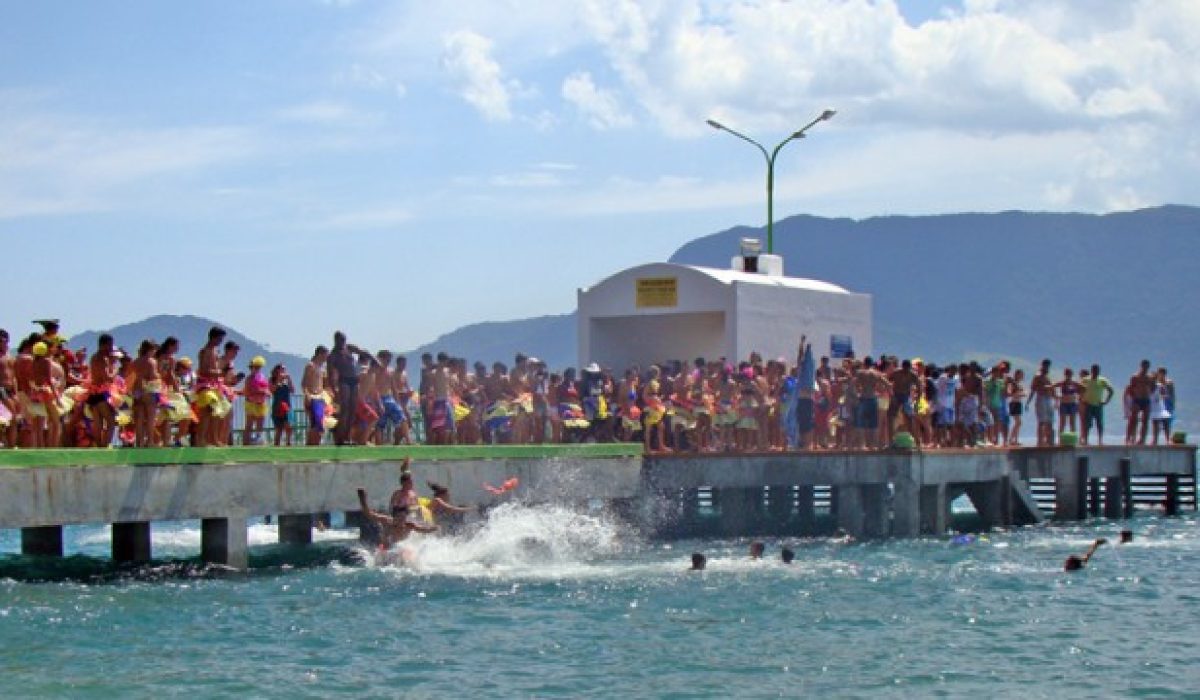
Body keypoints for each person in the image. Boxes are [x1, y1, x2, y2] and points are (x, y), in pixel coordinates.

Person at [355, 486, 437, 552]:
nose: (401, 521)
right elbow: (369, 514)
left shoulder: (409, 525)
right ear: (394, 517)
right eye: (399, 518)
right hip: (386, 550)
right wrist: (362, 500)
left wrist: (433, 528)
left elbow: (424, 530)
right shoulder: (387, 521)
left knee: (405, 549)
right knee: (385, 548)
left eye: (403, 518)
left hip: (400, 551)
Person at [1079, 364, 1114, 445]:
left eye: (1097, 371)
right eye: (1094, 370)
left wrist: (1106, 401)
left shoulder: (1102, 380)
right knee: (1087, 423)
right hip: (1088, 404)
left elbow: (1111, 390)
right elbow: (1079, 389)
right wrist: (1081, 399)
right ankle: (1086, 440)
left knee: (1099, 423)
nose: (1096, 372)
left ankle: (1100, 440)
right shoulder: (1085, 380)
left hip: (1098, 405)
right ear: (1091, 371)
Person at [302, 345, 329, 446]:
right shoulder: (311, 365)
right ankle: (310, 445)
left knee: (320, 424)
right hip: (312, 396)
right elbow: (304, 383)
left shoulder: (323, 368)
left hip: (321, 397)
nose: (327, 358)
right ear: (320, 354)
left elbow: (324, 384)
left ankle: (316, 445)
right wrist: (307, 395)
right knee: (315, 423)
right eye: (326, 355)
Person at [1028, 359, 1057, 447]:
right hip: (1041, 399)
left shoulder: (1047, 377)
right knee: (1042, 421)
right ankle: (1040, 442)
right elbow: (1033, 389)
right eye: (1045, 365)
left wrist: (1055, 399)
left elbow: (1052, 390)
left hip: (1049, 399)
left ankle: (1049, 441)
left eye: (1048, 366)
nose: (1047, 367)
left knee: (1050, 421)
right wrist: (1028, 402)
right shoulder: (1037, 376)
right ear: (1042, 365)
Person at [242, 356, 270, 445]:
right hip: (251, 403)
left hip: (261, 403)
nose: (257, 369)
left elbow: (266, 387)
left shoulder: (262, 376)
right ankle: (246, 443)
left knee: (260, 424)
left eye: (259, 367)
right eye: (255, 367)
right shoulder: (249, 378)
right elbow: (249, 390)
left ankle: (259, 441)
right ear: (251, 368)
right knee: (249, 424)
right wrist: (263, 391)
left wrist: (266, 392)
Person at [1125, 360, 1154, 445]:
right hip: (1137, 399)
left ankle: (1142, 439)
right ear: (1141, 366)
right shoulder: (1135, 377)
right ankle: (1129, 438)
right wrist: (1134, 397)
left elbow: (1153, 388)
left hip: (1146, 400)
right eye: (1144, 366)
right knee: (1133, 420)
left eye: (1147, 366)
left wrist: (1148, 393)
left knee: (1145, 420)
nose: (1145, 368)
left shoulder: (1150, 377)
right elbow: (1130, 388)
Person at [270, 364, 294, 446]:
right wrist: (278, 381)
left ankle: (288, 443)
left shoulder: (286, 381)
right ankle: (276, 446)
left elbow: (292, 390)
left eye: (284, 369)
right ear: (277, 371)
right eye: (282, 369)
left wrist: (289, 379)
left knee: (289, 426)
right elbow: (272, 390)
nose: (283, 371)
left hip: (287, 406)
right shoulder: (272, 380)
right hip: (277, 407)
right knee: (278, 429)